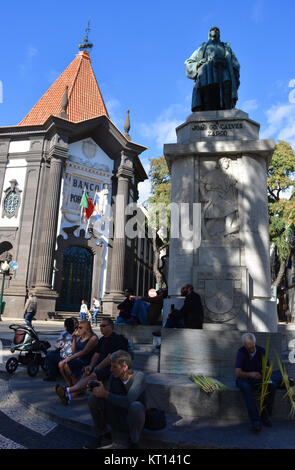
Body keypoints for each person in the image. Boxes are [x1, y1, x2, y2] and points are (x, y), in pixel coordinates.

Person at [56, 318, 128, 405]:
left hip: (112, 367)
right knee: (87, 371)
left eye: (103, 326)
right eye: (100, 325)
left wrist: (97, 367)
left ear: (110, 327)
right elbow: (96, 355)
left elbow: (110, 358)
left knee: (93, 374)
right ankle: (69, 396)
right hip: (98, 364)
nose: (101, 327)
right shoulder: (102, 340)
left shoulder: (116, 339)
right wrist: (91, 365)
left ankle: (67, 390)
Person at [84, 350, 146, 449]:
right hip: (117, 416)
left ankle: (134, 441)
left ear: (125, 367)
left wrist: (105, 394)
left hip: (132, 419)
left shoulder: (139, 377)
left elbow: (128, 401)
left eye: (114, 367)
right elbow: (109, 398)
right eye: (111, 366)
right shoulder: (114, 377)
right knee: (93, 398)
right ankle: (102, 435)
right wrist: (96, 391)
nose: (111, 370)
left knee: (136, 406)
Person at [185, 26, 240, 112]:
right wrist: (199, 63)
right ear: (209, 33)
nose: (215, 31)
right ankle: (207, 109)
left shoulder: (225, 47)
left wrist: (233, 69)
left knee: (227, 83)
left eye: (217, 30)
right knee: (208, 88)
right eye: (212, 30)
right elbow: (189, 62)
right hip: (208, 72)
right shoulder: (203, 47)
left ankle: (228, 108)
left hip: (223, 69)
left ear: (219, 34)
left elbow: (235, 63)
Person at [235, 333, 278, 433]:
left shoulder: (261, 350)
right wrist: (251, 374)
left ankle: (265, 415)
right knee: (246, 388)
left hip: (259, 378)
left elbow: (267, 369)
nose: (251, 349)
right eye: (249, 348)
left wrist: (266, 370)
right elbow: (238, 373)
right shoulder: (241, 352)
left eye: (253, 346)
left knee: (273, 386)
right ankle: (255, 421)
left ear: (255, 343)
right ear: (244, 345)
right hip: (245, 378)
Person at [56, 320, 98, 397]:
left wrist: (69, 358)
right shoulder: (80, 337)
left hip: (87, 360)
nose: (78, 330)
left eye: (80, 328)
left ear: (86, 328)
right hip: (78, 358)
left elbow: (84, 352)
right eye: (77, 328)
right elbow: (73, 350)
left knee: (66, 364)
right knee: (60, 364)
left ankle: (75, 388)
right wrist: (74, 339)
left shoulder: (93, 338)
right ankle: (70, 385)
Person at [43, 317, 78, 382]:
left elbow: (59, 345)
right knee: (52, 354)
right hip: (69, 355)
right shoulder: (76, 333)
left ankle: (52, 374)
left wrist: (59, 347)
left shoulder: (66, 334)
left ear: (65, 326)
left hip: (68, 356)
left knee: (49, 356)